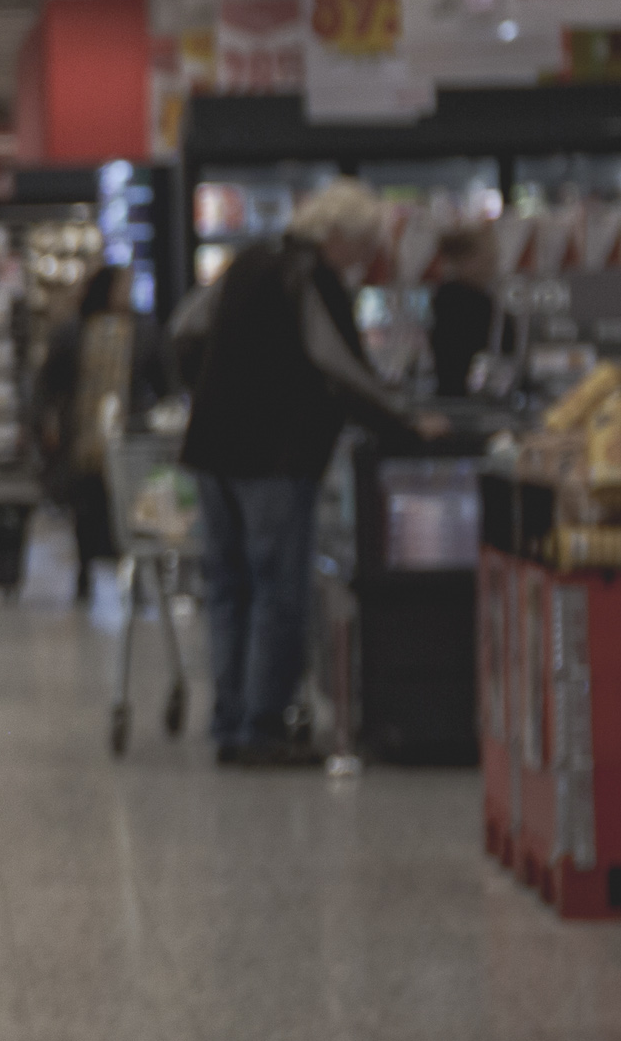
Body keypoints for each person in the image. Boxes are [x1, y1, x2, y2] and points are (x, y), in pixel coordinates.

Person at [172, 181, 441, 766]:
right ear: (337, 235)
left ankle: (229, 719)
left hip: (212, 448)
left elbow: (184, 331)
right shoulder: (309, 277)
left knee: (227, 590)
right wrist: (405, 427)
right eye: (363, 244)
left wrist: (216, 391)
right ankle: (261, 727)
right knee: (276, 591)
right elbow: (341, 366)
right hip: (274, 456)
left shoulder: (246, 261)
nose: (365, 259)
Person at [31, 264, 165, 604]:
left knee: (131, 507)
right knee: (87, 507)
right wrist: (45, 422)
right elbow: (48, 384)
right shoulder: (72, 331)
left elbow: (163, 380)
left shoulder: (144, 330)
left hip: (128, 437)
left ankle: (133, 572)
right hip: (84, 438)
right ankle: (85, 571)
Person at [426, 221, 502, 398]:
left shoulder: (442, 296)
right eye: (489, 258)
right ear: (466, 260)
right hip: (465, 397)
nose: (494, 264)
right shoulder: (471, 303)